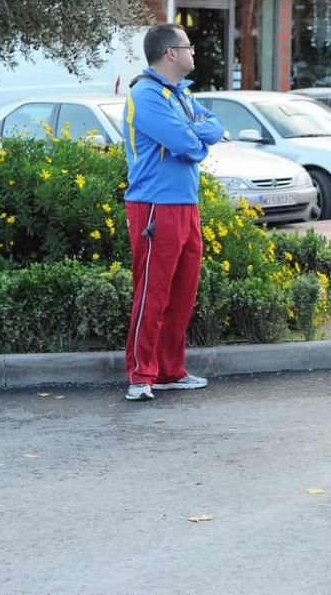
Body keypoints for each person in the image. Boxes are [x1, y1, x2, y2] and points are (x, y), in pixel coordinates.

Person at [121, 23, 225, 402]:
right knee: (152, 293)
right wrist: (196, 140)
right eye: (189, 46)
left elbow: (215, 126)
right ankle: (141, 376)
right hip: (154, 208)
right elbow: (186, 141)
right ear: (170, 53)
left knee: (181, 294)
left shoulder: (179, 93)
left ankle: (169, 371)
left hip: (185, 205)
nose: (193, 52)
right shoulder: (145, 95)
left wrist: (195, 137)